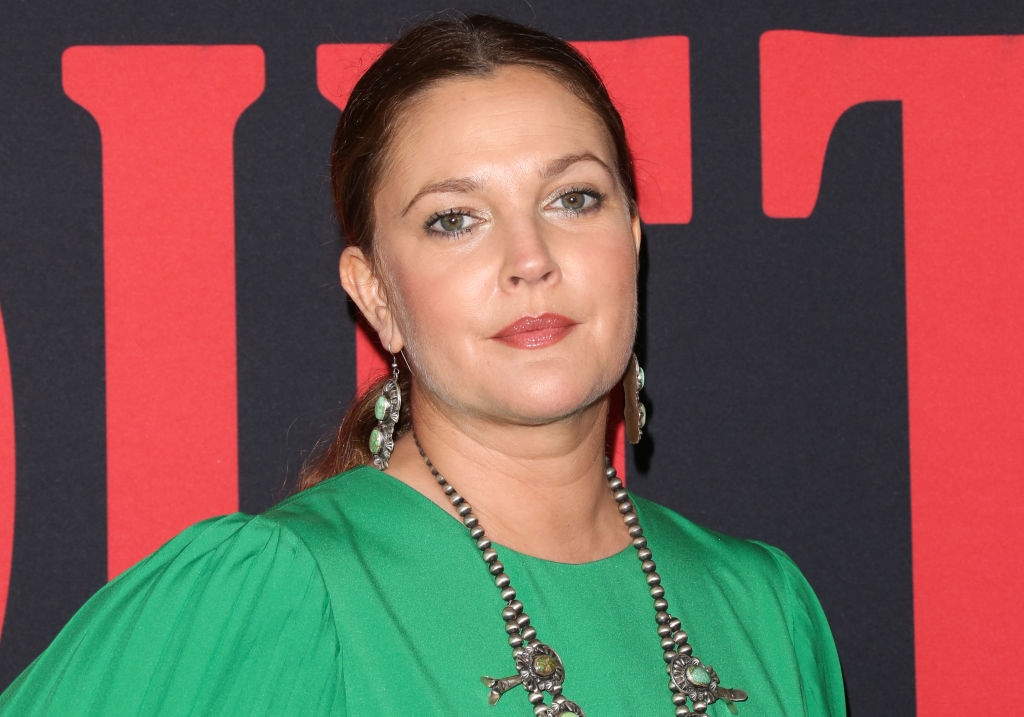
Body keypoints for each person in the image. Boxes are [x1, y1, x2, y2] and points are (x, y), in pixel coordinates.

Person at [0, 14, 846, 716]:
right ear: (376, 297)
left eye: (573, 198)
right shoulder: (282, 593)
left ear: (631, 239)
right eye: (454, 219)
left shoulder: (764, 607)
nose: (530, 258)